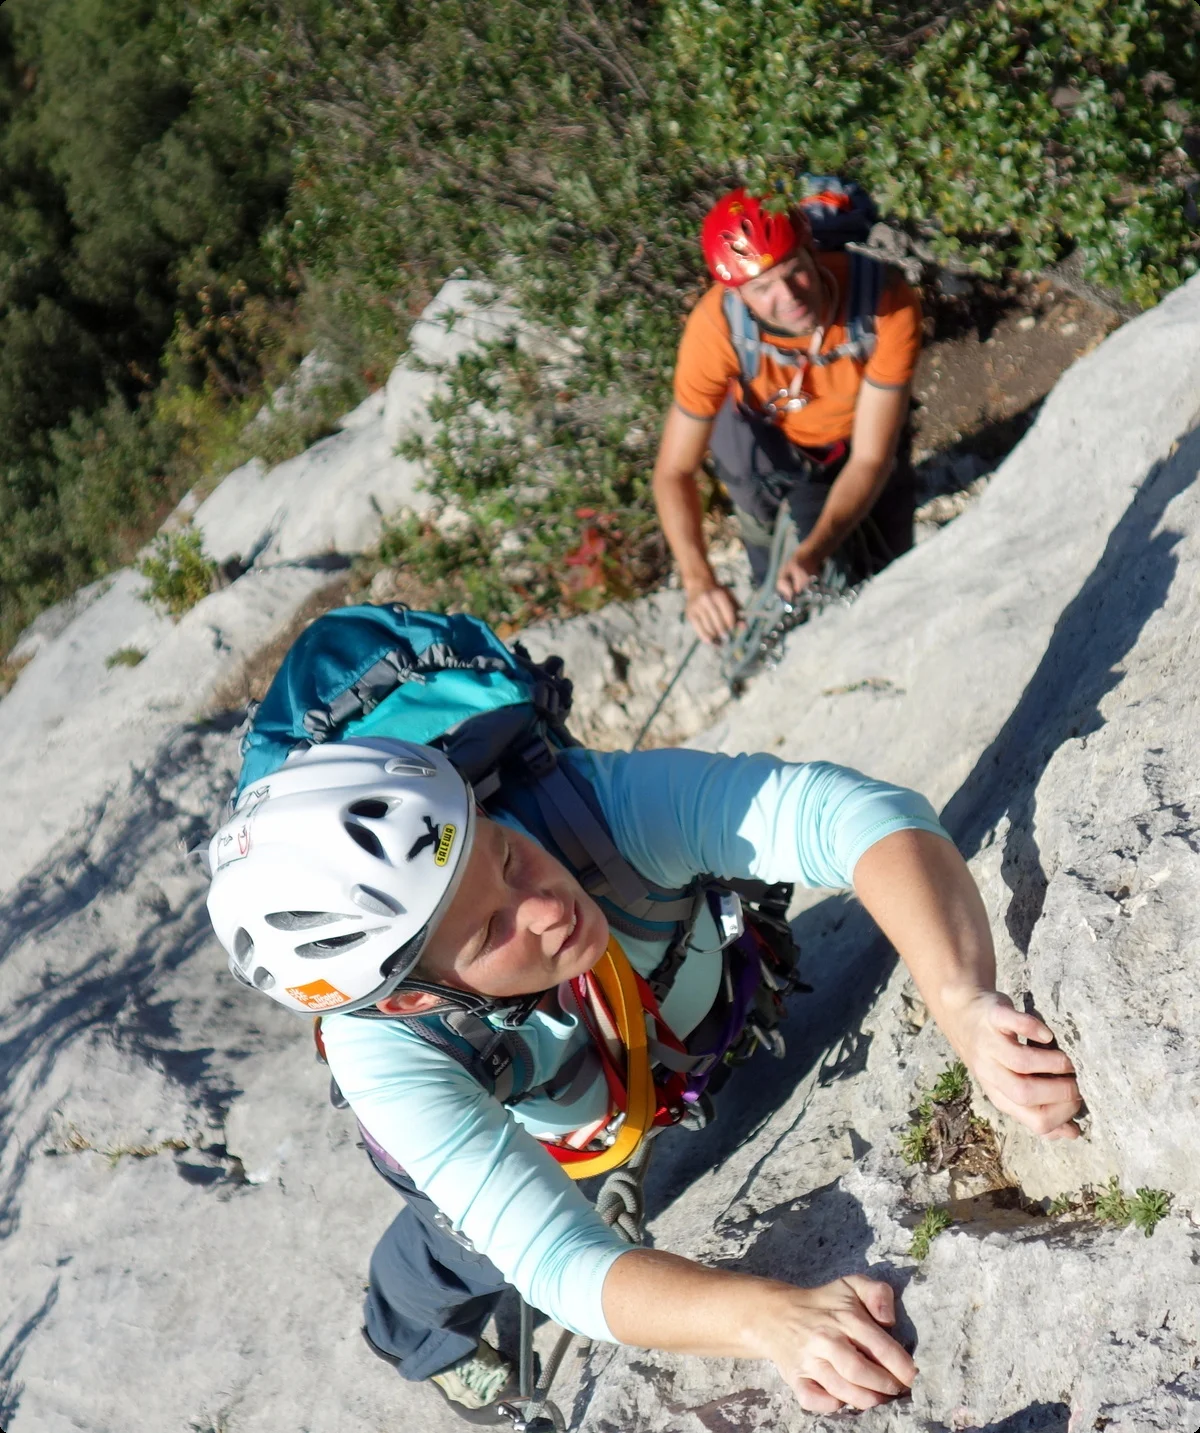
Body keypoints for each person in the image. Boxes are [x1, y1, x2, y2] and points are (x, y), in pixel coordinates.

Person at [206, 736, 1082, 1423]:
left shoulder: (577, 807)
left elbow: (853, 813)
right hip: (555, 1123)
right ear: (406, 1004)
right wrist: (766, 1319)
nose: (547, 906)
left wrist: (962, 999)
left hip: (637, 1058)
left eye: (505, 856)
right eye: (489, 932)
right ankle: (416, 1345)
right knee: (456, 1252)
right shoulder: (387, 1057)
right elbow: (556, 1261)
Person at [653, 188, 924, 645]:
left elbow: (872, 459)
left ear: (811, 250)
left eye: (795, 271)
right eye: (763, 288)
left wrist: (814, 551)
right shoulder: (715, 329)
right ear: (736, 293)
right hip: (771, 448)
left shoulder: (885, 304)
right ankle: (768, 567)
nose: (789, 296)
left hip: (855, 444)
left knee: (890, 572)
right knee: (779, 577)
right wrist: (699, 580)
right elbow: (674, 469)